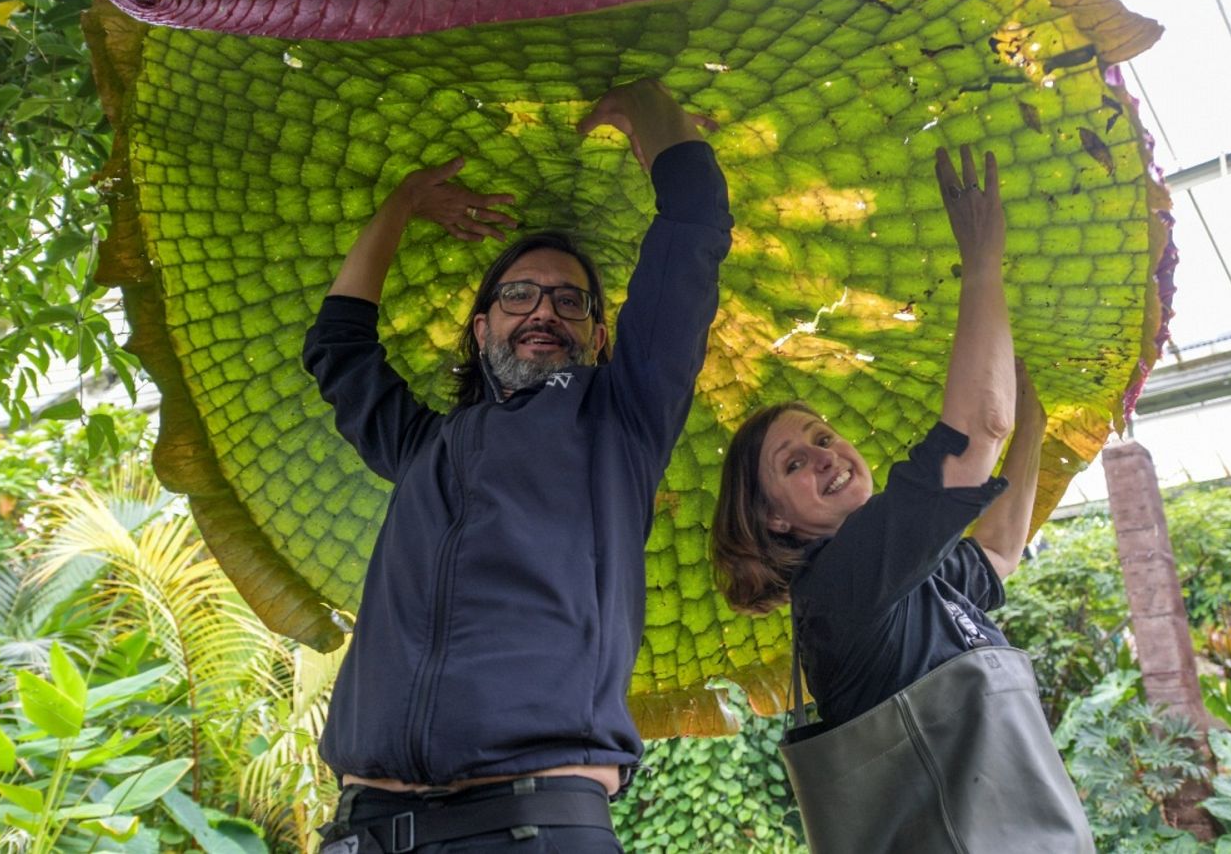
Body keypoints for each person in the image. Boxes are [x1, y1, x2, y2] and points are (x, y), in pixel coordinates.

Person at [302, 78, 731, 853]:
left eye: (571, 303)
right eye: (520, 295)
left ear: (601, 339)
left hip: (532, 826)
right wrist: (402, 203)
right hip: (364, 829)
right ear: (481, 327)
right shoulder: (422, 445)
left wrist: (649, 107)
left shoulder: (623, 420)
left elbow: (695, 221)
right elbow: (337, 348)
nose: (543, 311)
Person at [710, 147, 1092, 853]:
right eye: (795, 461)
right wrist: (982, 258)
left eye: (824, 436)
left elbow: (1001, 553)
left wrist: (1035, 427)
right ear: (775, 520)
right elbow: (979, 429)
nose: (827, 454)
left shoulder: (912, 576)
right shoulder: (842, 583)